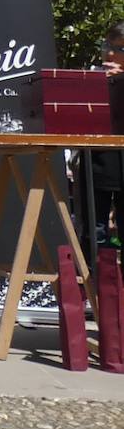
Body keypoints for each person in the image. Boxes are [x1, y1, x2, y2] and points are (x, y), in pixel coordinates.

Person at [81, 21, 124, 255]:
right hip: (98, 164)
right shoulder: (93, 78)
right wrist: (100, 82)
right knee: (93, 232)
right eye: (107, 45)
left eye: (119, 49)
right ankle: (93, 288)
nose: (110, 53)